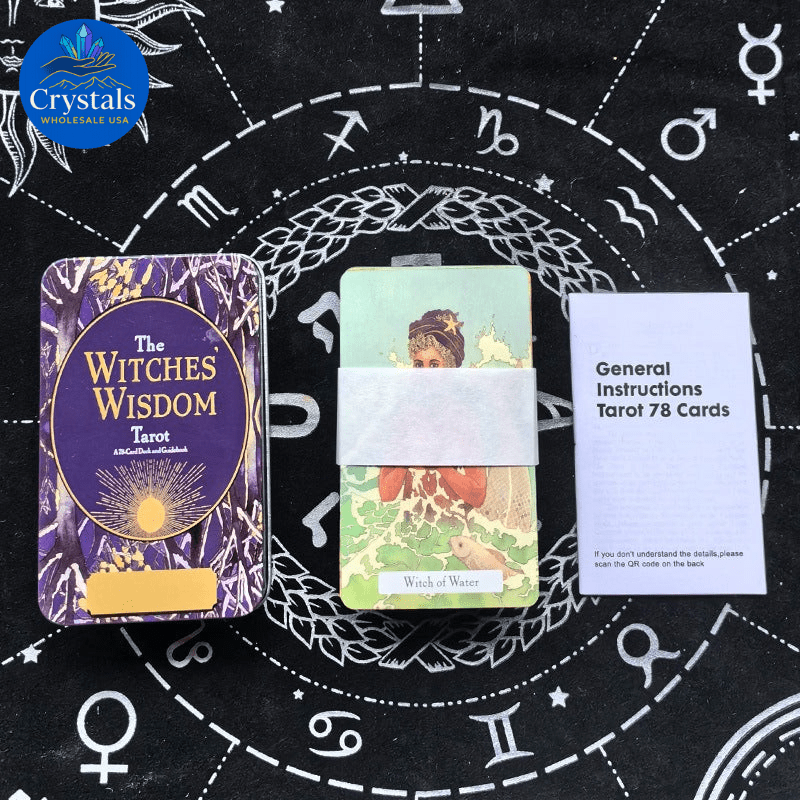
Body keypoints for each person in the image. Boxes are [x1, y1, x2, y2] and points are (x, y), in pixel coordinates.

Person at [378, 309, 487, 531]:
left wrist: (439, 463)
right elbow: (386, 494)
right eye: (419, 365)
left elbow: (478, 495)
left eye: (434, 365)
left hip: (453, 529)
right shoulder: (401, 418)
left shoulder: (464, 420)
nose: (425, 373)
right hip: (410, 528)